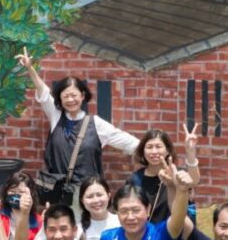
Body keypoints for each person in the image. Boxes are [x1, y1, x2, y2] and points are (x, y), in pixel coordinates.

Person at [16, 47, 138, 205]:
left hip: (88, 196)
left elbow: (126, 141)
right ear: (60, 98)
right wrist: (30, 68)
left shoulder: (96, 124)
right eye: (65, 96)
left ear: (82, 95)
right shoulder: (56, 117)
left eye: (74, 95)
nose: (70, 100)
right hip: (59, 194)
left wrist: (152, 151)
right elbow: (44, 92)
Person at [127, 125, 200, 240]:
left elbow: (193, 180)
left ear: (167, 149)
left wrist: (190, 153)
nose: (154, 151)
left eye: (159, 146)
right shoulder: (135, 179)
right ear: (142, 151)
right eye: (149, 147)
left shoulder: (177, 173)